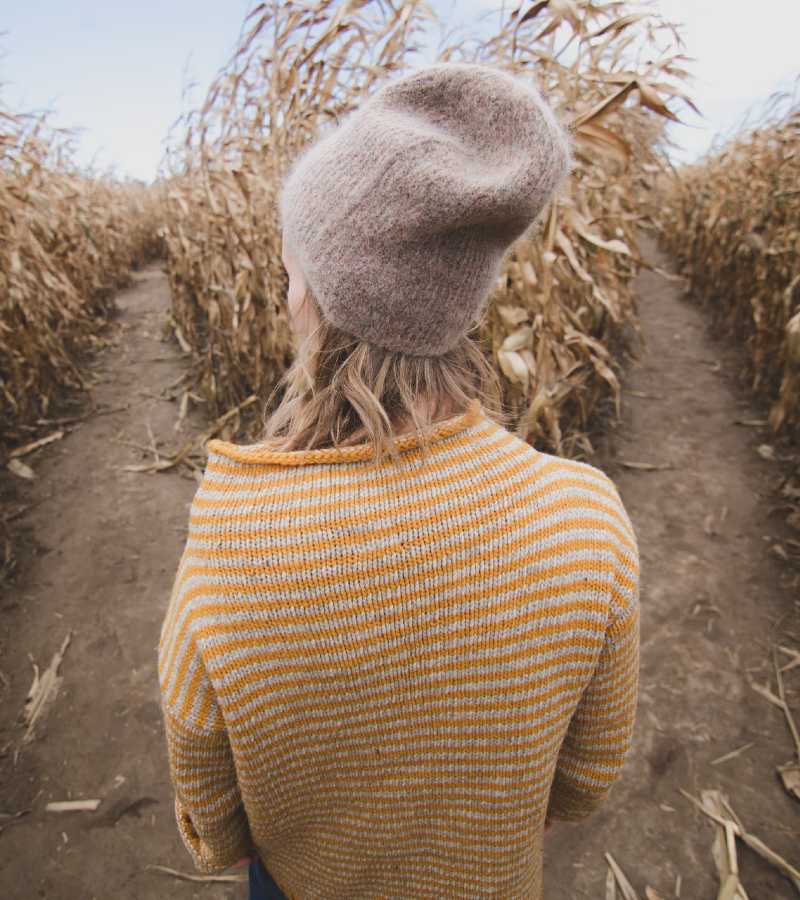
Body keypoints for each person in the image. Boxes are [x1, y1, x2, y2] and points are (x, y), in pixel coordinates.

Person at [157, 61, 641, 900]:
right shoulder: (586, 522)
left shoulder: (234, 548)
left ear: (320, 296)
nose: (283, 287)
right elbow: (586, 780)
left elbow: (214, 821)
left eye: (291, 265)